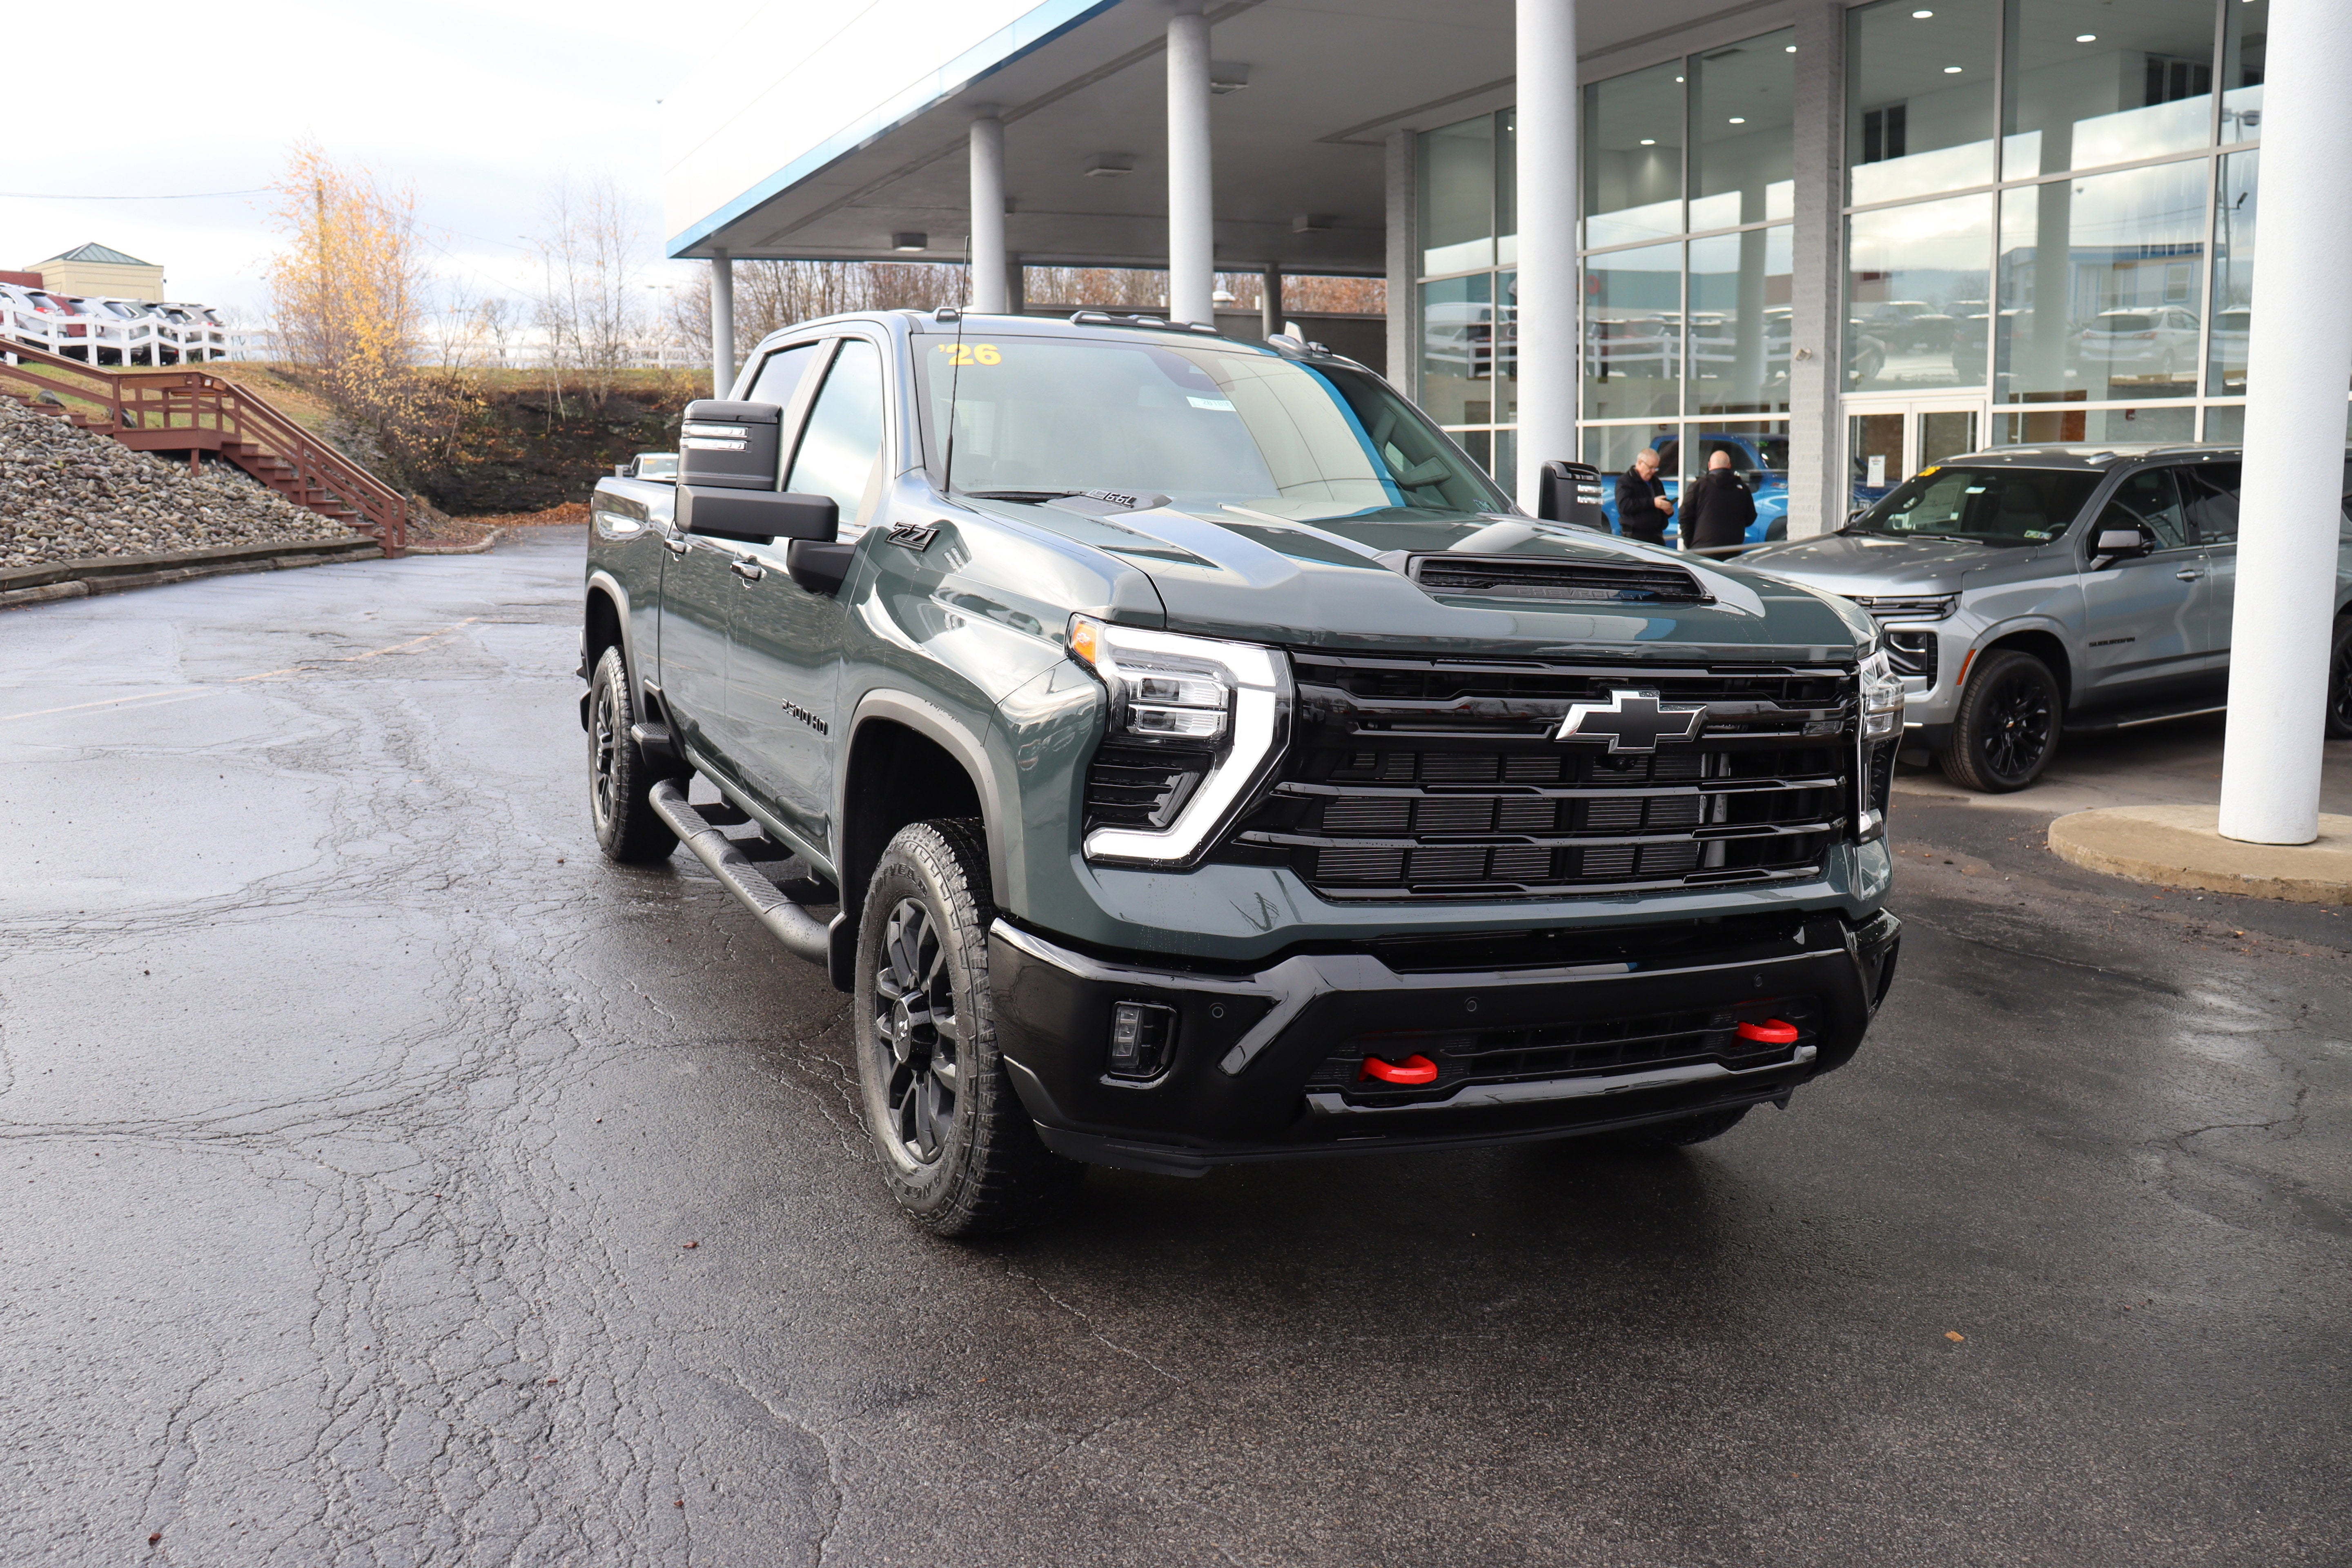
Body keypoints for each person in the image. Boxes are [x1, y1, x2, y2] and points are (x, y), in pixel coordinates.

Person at [1677, 448, 1757, 553]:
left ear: (1709, 465)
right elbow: (1751, 518)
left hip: (1703, 549)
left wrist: (1691, 543)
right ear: (1729, 466)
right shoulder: (1743, 488)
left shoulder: (1699, 486)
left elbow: (1684, 516)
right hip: (1733, 549)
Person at [1614, 448, 1673, 543]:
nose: (1653, 471)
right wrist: (1653, 503)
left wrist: (1668, 510)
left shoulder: (1656, 482)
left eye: (1656, 468)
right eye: (1650, 467)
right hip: (1635, 537)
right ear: (1640, 463)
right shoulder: (1625, 481)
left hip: (1657, 536)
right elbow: (1624, 506)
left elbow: (1660, 505)